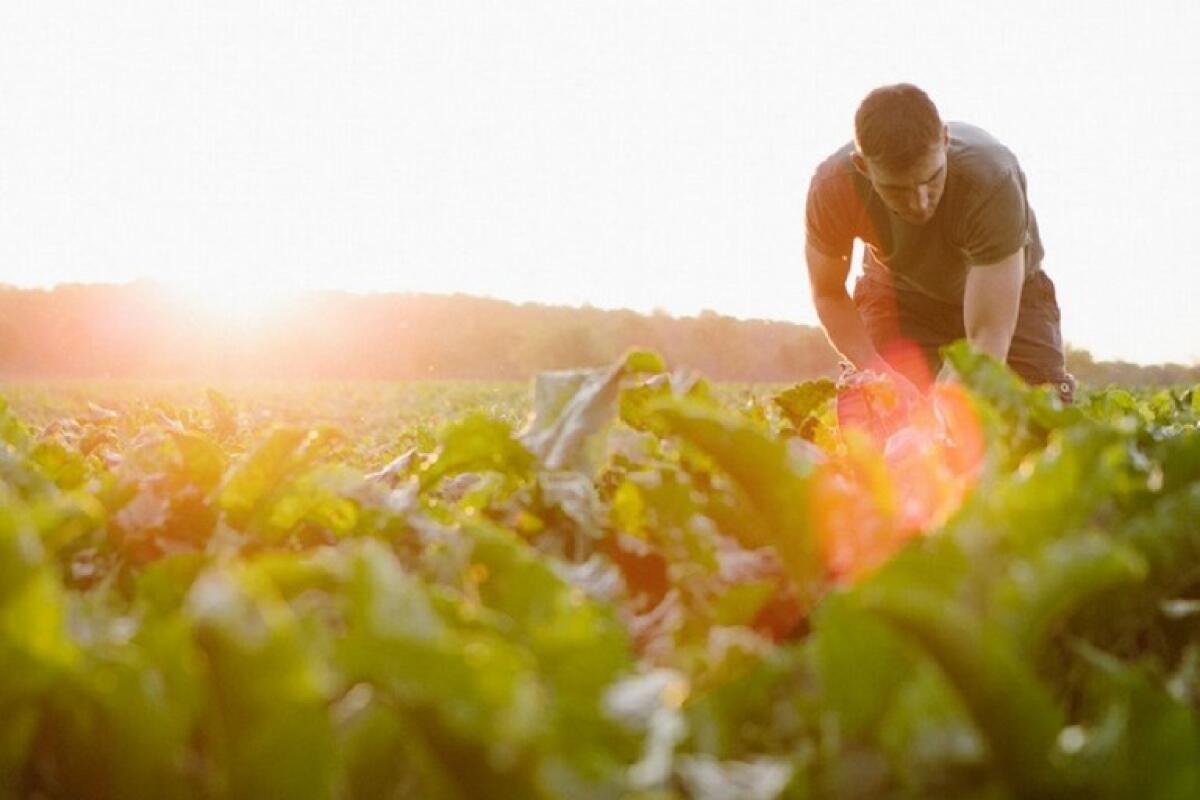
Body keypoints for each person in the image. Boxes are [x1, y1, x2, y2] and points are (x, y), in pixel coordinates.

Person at [804, 83, 1075, 402]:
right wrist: (880, 373)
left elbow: (988, 338)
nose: (919, 203)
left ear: (945, 141)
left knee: (1030, 421)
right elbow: (828, 293)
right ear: (863, 167)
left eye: (931, 180)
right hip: (901, 294)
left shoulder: (991, 179)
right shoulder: (834, 187)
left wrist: (940, 412)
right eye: (897, 190)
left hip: (1007, 298)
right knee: (875, 412)